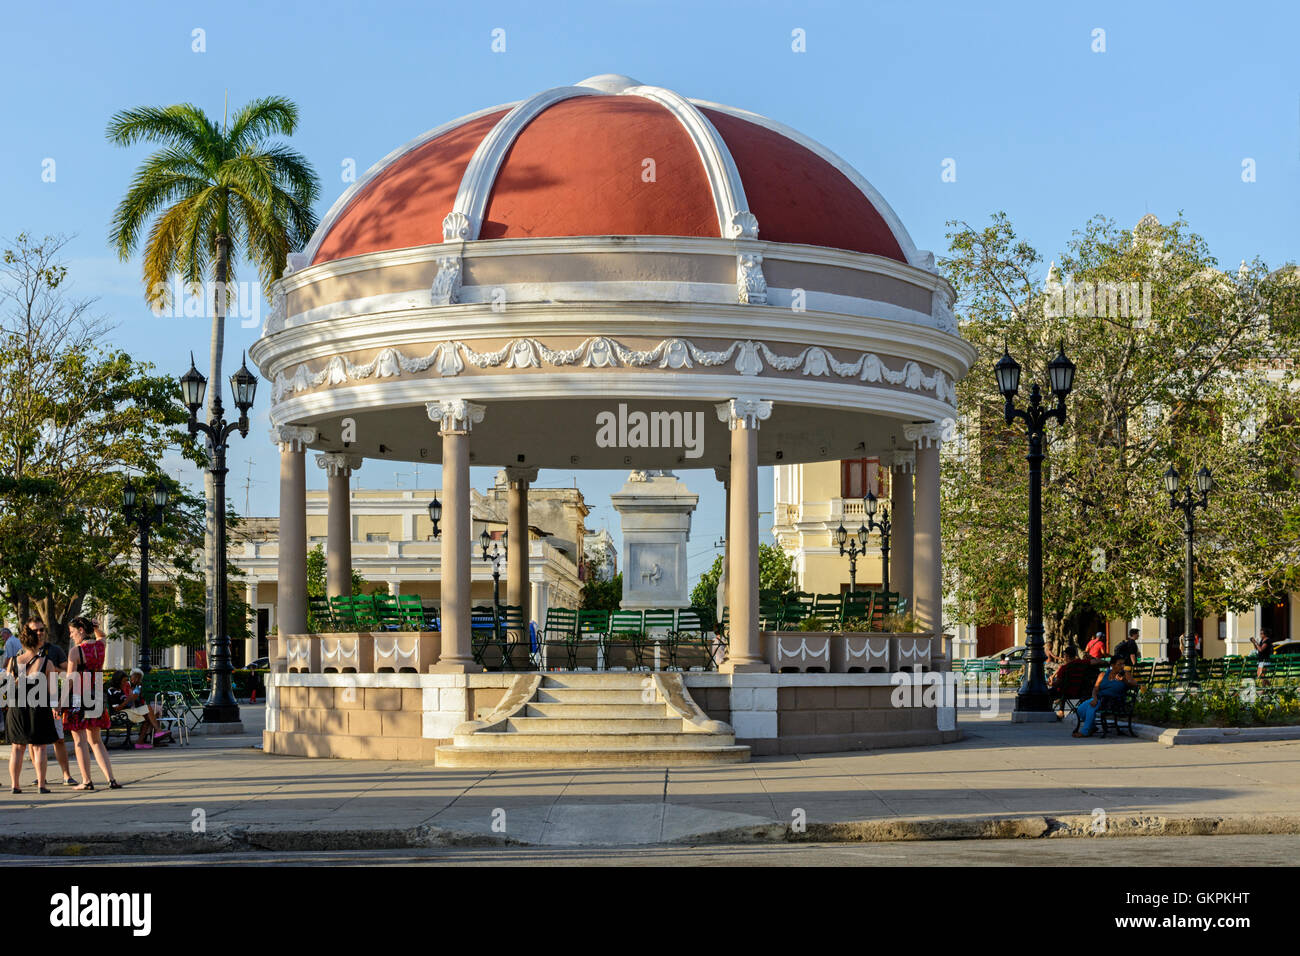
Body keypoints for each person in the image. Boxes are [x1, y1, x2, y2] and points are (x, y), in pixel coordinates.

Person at [63, 617, 121, 791]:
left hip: (80, 696)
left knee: (79, 740)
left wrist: (60, 703)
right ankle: (110, 778)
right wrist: (96, 627)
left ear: (81, 630)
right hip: (96, 694)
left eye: (73, 632)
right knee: (96, 740)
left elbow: (70, 679)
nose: (72, 636)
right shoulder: (100, 646)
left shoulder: (76, 652)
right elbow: (102, 636)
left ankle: (87, 780)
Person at [5, 622, 59, 793]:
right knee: (39, 747)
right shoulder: (46, 663)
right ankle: (41, 785)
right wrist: (56, 708)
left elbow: (7, 688)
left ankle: (15, 785)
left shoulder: (13, 661)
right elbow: (52, 691)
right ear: (38, 642)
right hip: (39, 708)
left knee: (17, 748)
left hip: (17, 708)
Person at [34, 622, 76, 786]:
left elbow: (67, 672)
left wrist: (50, 669)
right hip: (31, 701)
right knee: (34, 740)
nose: (39, 633)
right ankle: (40, 776)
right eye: (34, 630)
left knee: (58, 738)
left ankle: (66, 775)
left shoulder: (55, 650)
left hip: (51, 699)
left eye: (41, 630)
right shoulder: (23, 652)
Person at [1073, 654, 1141, 738]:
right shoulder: (1102, 674)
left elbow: (1135, 684)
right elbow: (1095, 689)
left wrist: (1124, 681)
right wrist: (1094, 698)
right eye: (1119, 664)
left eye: (1123, 664)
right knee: (1080, 709)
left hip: (1115, 702)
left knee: (1092, 707)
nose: (1122, 666)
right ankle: (1092, 727)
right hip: (1100, 699)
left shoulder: (1125, 674)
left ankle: (1085, 731)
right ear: (1112, 665)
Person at [121, 669, 164, 747]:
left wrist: (138, 691)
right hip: (129, 710)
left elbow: (139, 700)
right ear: (131, 676)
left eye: (139, 678)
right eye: (135, 677)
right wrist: (135, 692)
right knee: (149, 711)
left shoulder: (138, 686)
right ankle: (157, 732)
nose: (136, 679)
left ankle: (149, 739)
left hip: (136, 709)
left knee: (154, 713)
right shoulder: (127, 685)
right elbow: (129, 699)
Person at [1049, 645, 1091, 718]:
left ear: (1067, 656)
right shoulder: (1082, 663)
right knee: (1064, 688)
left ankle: (1053, 711)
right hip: (1080, 692)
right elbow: (1098, 661)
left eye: (1064, 655)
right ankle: (1061, 710)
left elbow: (1058, 683)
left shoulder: (1064, 668)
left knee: (1047, 693)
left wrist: (1051, 683)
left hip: (1065, 692)